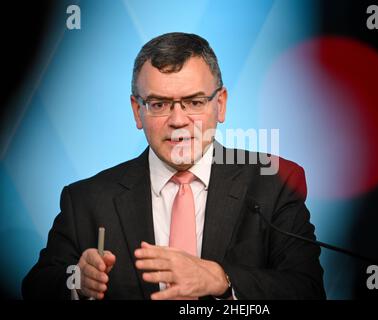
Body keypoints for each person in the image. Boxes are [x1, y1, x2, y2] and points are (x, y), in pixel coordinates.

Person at [22, 32, 325, 300]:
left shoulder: (274, 182)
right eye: (159, 104)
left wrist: (222, 280)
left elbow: (307, 289)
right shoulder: (87, 200)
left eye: (194, 102)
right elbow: (36, 287)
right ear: (137, 112)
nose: (178, 120)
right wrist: (77, 281)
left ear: (220, 105)